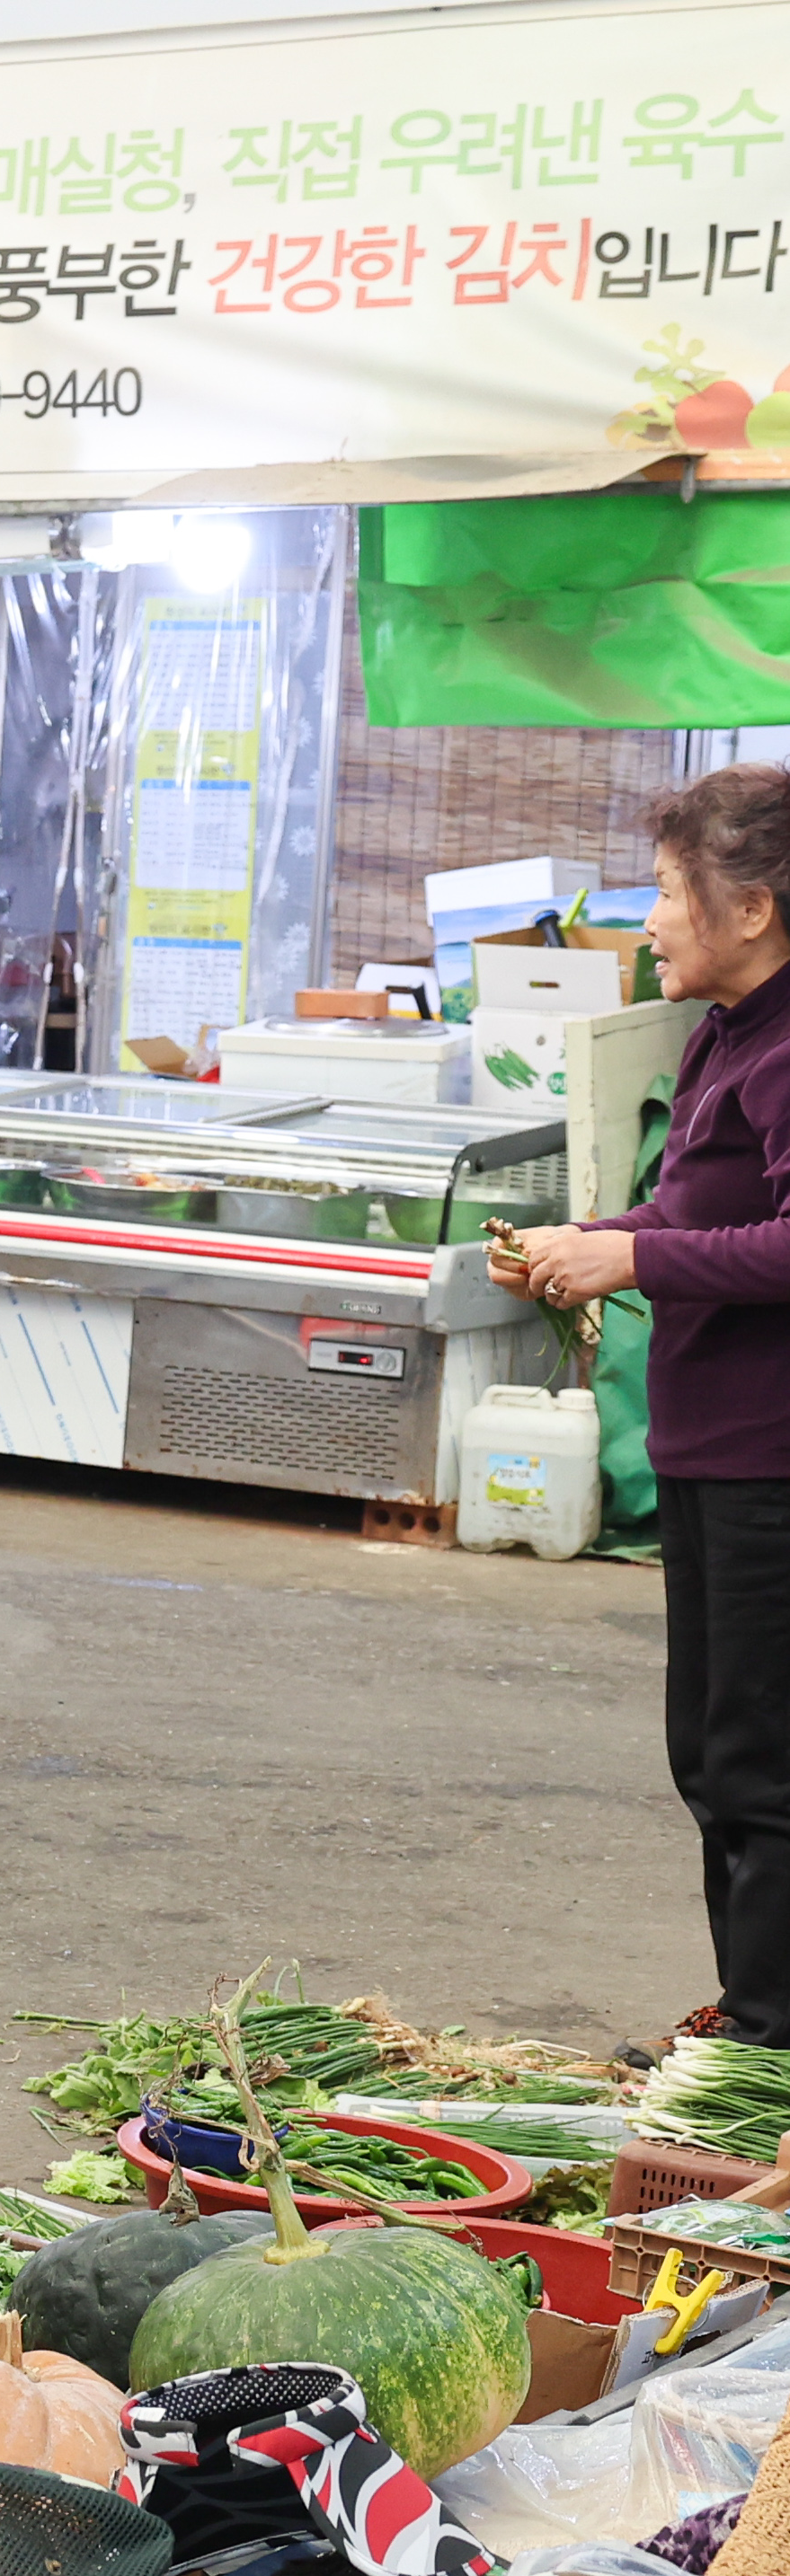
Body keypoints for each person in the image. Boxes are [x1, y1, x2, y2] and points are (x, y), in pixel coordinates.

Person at [497, 766, 790, 2044]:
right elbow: (693, 1215)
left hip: (774, 1462)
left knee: (763, 1771)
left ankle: (773, 2062)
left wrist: (637, 1261)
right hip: (712, 1449)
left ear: (756, 909)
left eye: (671, 893)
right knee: (711, 1760)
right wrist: (591, 1239)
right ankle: (752, 2014)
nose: (653, 921)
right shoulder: (728, 1034)